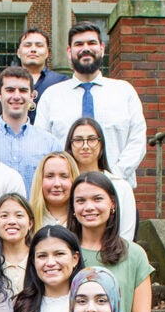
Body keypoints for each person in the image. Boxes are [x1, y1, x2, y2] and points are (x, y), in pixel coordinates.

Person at [35, 22, 147, 189]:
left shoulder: (124, 92)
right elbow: (42, 145)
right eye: (79, 44)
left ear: (102, 48)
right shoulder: (52, 96)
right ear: (69, 51)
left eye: (91, 43)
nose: (85, 48)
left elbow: (137, 141)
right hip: (66, 193)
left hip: (117, 189)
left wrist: (112, 177)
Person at [68, 171, 152, 312]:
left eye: (97, 199)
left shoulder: (134, 255)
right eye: (81, 201)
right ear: (73, 208)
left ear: (112, 204)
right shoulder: (63, 253)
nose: (89, 207)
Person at [11, 225, 84, 312]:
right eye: (42, 256)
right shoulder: (18, 305)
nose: (50, 263)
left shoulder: (92, 305)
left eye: (59, 254)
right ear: (33, 261)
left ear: (75, 259)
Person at [0, 67, 62, 190]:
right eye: (10, 90)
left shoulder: (50, 144)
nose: (16, 96)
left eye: (23, 90)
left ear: (32, 96)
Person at [67, 117, 137, 241]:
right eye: (78, 140)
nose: (85, 146)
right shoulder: (64, 186)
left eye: (92, 139)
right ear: (70, 145)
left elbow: (126, 237)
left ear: (101, 144)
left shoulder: (120, 187)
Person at [15, 28, 69, 123]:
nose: (33, 50)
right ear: (18, 52)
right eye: (27, 45)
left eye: (39, 46)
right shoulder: (7, 82)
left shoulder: (61, 81)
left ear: (47, 52)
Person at [0, 193, 34, 297]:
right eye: (4, 216)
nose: (11, 221)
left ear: (30, 223)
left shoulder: (39, 258)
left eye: (19, 215)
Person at [29, 151, 79, 227]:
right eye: (50, 176)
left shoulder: (84, 221)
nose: (57, 184)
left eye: (64, 176)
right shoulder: (27, 221)